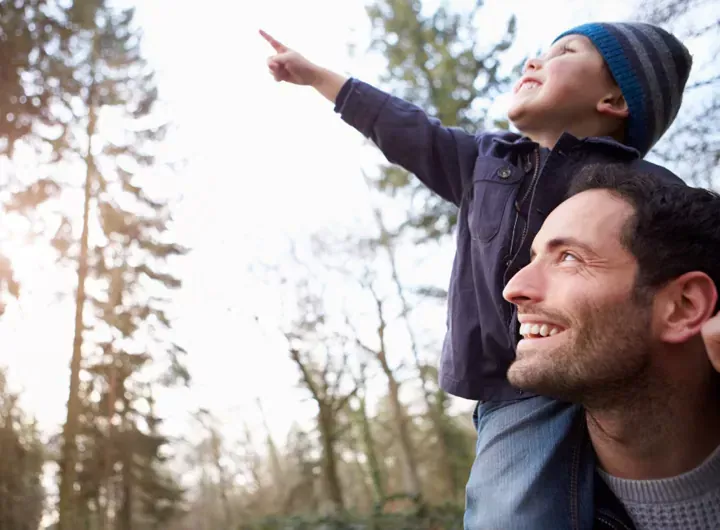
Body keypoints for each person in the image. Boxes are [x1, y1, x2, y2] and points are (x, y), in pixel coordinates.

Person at [260, 22, 692, 529]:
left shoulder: (647, 188)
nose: (534, 62)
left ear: (615, 98)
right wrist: (318, 78)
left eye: (564, 52)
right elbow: (406, 130)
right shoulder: (483, 163)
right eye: (537, 52)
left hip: (618, 368)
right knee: (509, 514)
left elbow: (695, 258)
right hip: (519, 386)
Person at [503, 164, 720, 529]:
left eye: (568, 258)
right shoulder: (513, 506)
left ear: (684, 306)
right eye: (533, 258)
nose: (513, 289)